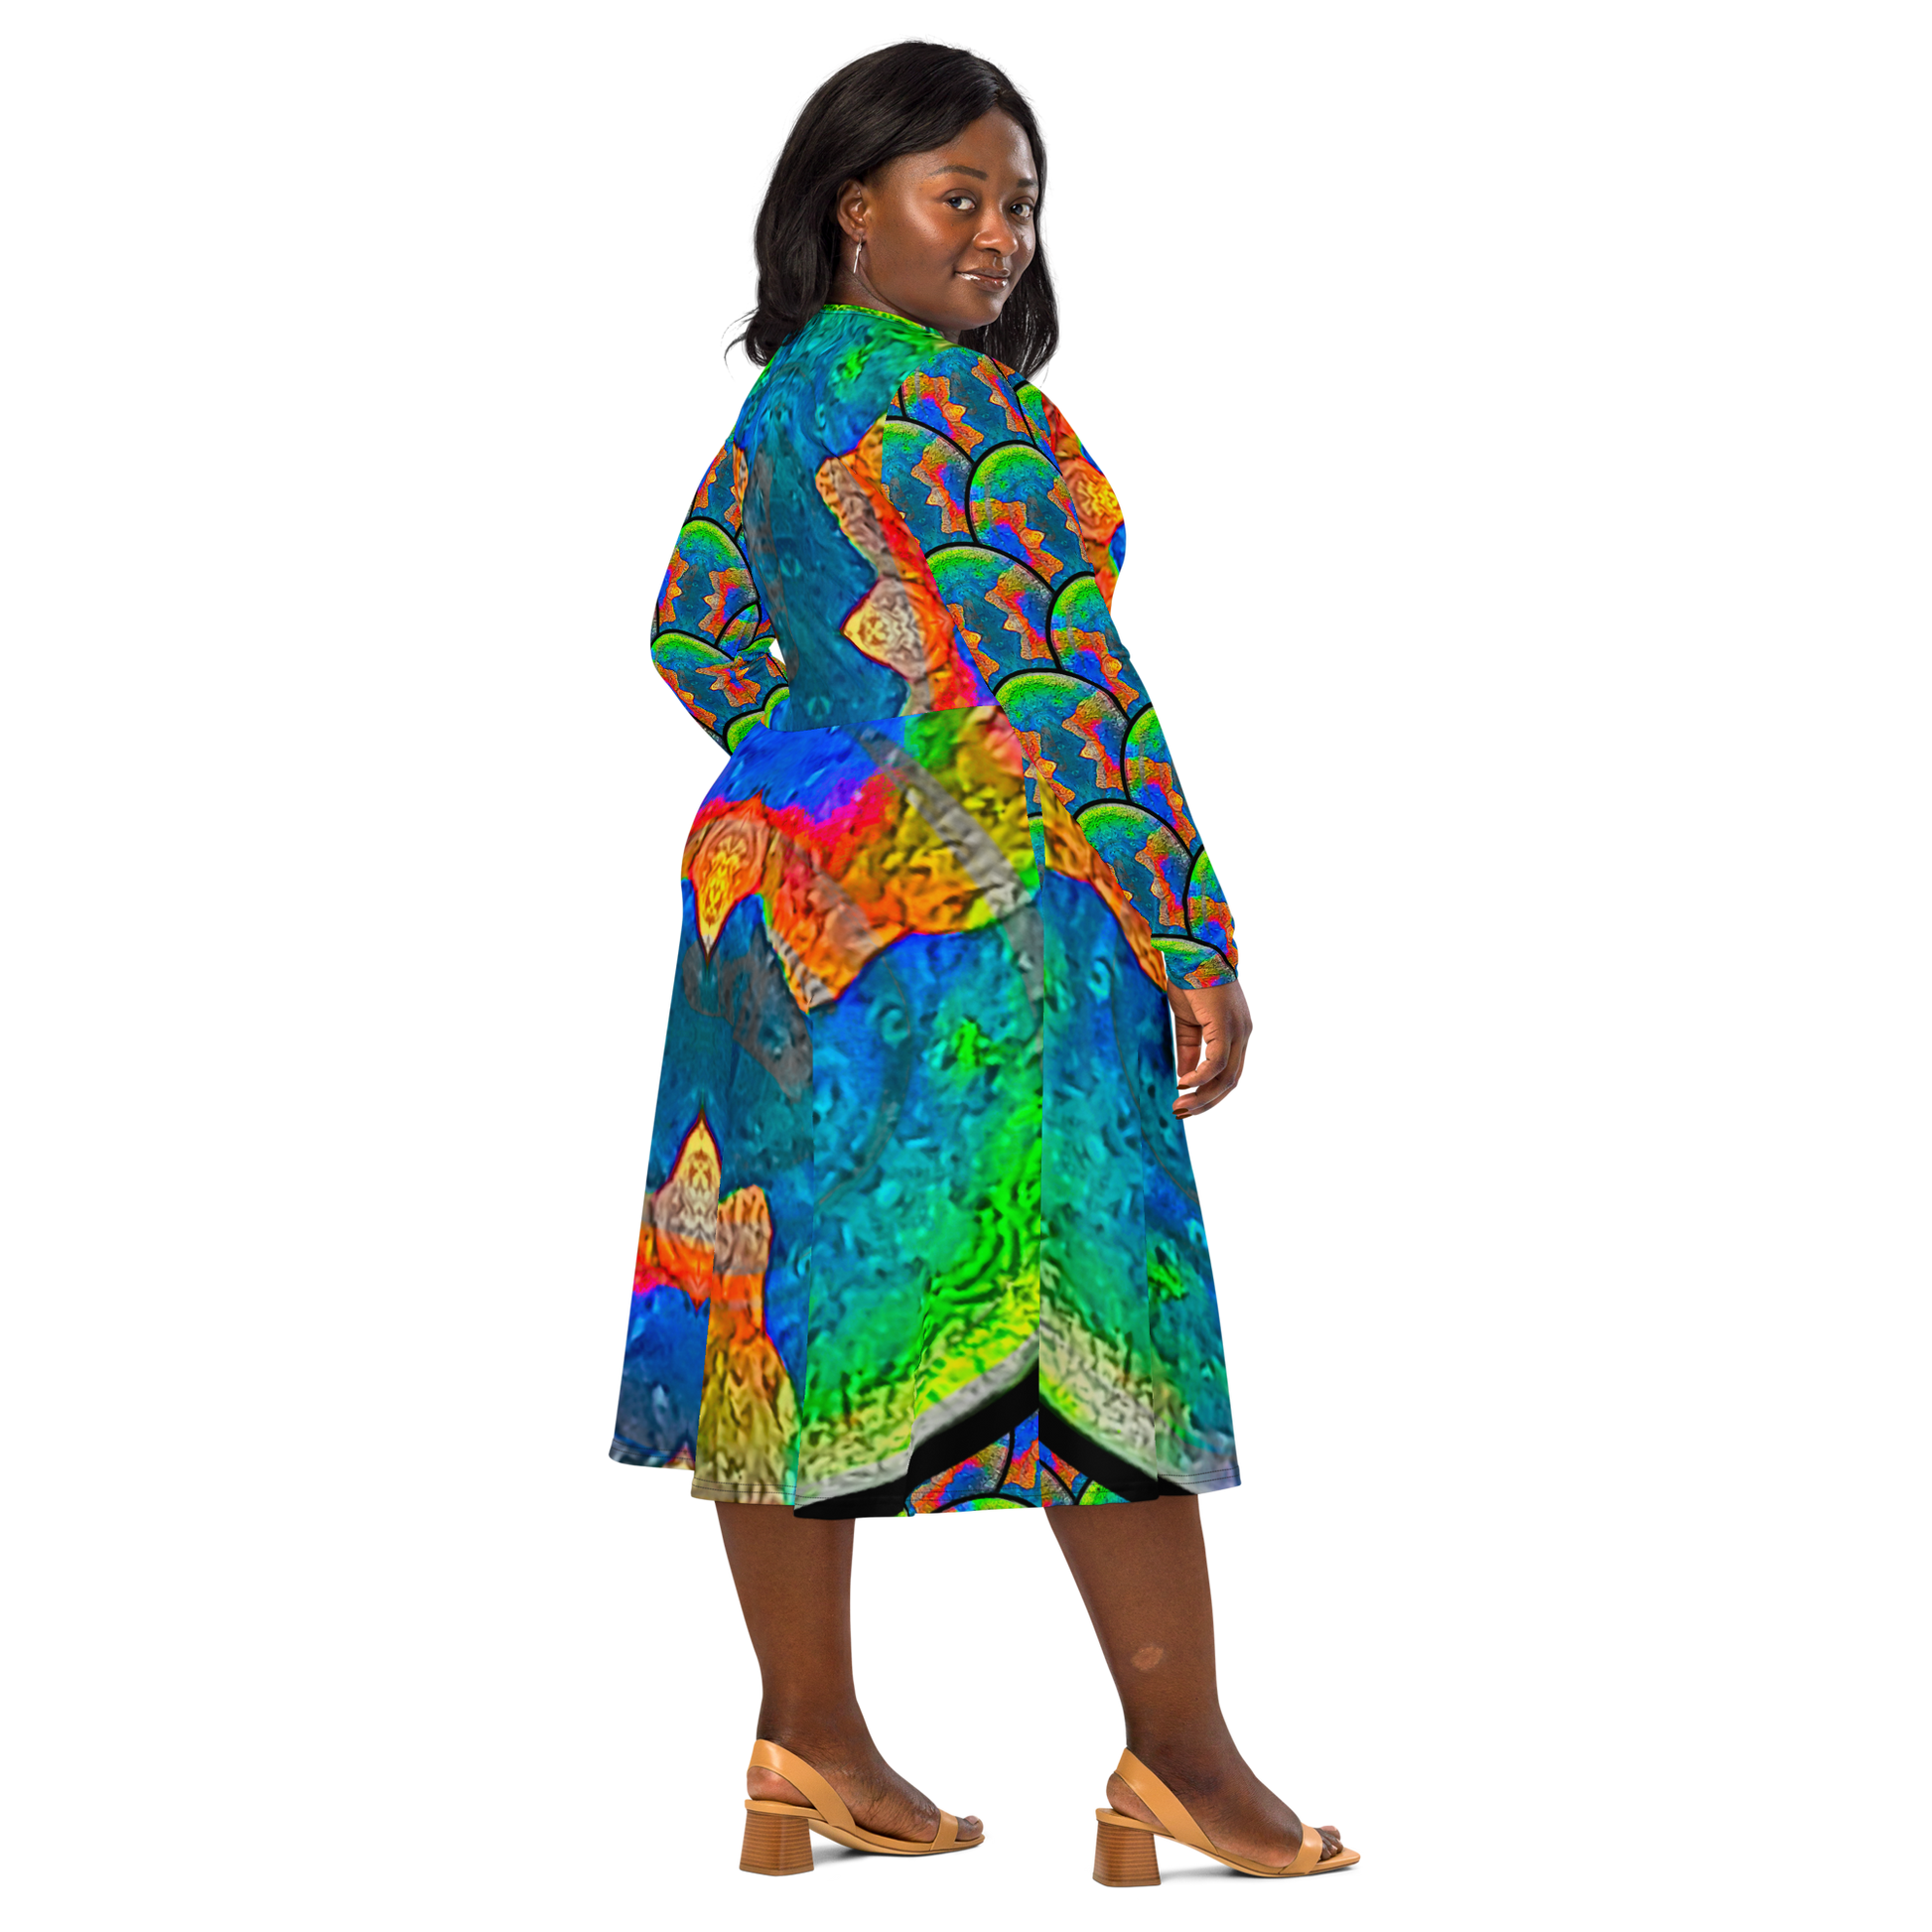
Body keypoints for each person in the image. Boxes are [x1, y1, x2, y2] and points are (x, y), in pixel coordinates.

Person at [608, 33, 1357, 1886]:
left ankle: (804, 1739)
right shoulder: (956, 412)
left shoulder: (785, 396)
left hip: (787, 916)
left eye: (1021, 204)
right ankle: (1180, 1760)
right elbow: (1068, 686)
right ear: (849, 209)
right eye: (961, 196)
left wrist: (824, 767)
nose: (1001, 234)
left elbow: (692, 626)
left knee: (784, 1319)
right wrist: (1188, 930)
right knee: (1110, 1322)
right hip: (990, 923)